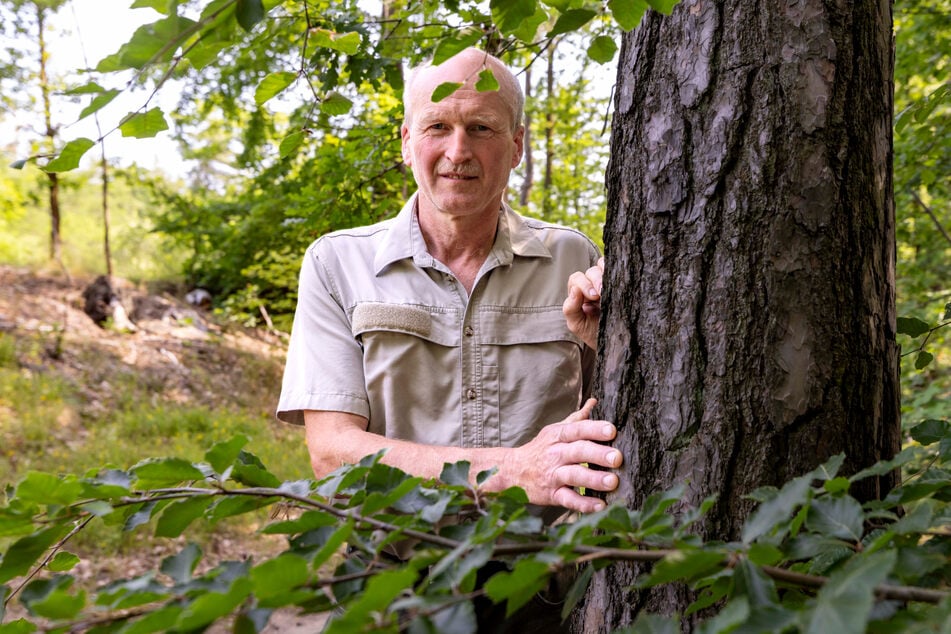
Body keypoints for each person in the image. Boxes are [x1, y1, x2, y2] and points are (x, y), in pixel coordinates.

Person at [277, 47, 617, 628]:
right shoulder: (338, 264)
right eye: (438, 126)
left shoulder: (574, 258)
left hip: (543, 590)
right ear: (407, 140)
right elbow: (332, 453)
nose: (458, 152)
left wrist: (600, 341)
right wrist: (511, 471)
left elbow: (625, 416)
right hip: (389, 584)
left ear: (516, 145)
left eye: (481, 128)